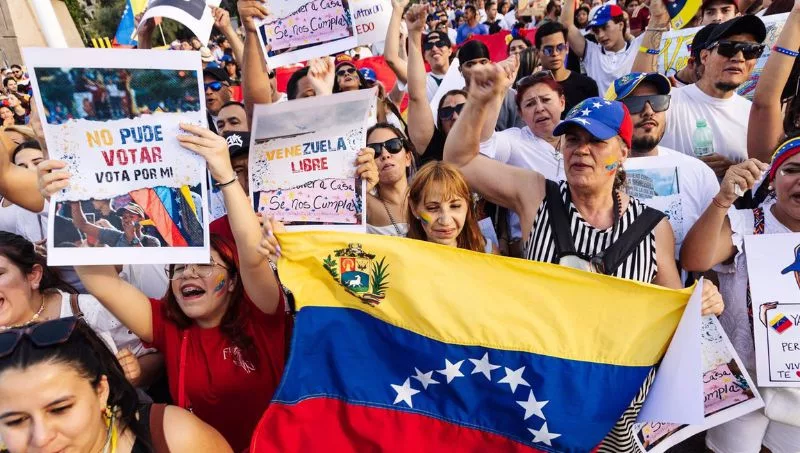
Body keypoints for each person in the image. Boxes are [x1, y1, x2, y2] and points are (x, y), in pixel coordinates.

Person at [444, 62, 724, 451]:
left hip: (617, 403)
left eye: (596, 141)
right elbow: (459, 162)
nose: (582, 150)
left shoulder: (653, 227)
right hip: (540, 395)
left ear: (623, 152)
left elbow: (671, 317)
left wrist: (701, 302)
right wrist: (478, 101)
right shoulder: (536, 195)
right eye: (573, 140)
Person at [39, 124, 290, 453]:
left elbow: (252, 254)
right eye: (179, 268)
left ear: (232, 281)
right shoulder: (168, 327)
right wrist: (64, 198)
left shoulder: (261, 317)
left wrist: (225, 175)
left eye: (204, 265)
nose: (188, 273)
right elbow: (101, 282)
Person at [680, 138, 800, 453]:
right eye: (791, 170)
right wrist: (723, 200)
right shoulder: (746, 224)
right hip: (742, 378)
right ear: (772, 180)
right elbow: (694, 260)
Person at [0, 317, 231, 452]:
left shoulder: (173, 437)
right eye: (16, 421)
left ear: (101, 391)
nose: (41, 438)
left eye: (60, 409)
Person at [606, 72, 720, 260]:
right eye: (634, 104)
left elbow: (714, 250)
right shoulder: (592, 172)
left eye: (657, 101)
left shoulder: (698, 172)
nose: (649, 111)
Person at [660, 16, 767, 177]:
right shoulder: (666, 102)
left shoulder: (754, 114)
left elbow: (768, 178)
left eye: (751, 50)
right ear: (704, 57)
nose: (739, 58)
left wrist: (734, 169)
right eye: (727, 48)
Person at [559, 2, 644, 94]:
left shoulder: (638, 47)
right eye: (596, 31)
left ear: (620, 25)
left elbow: (656, 22)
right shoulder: (591, 53)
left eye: (605, 27)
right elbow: (566, 25)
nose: (600, 35)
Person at [406, 161, 488, 252]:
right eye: (432, 208)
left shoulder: (488, 253)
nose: (445, 221)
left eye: (455, 206)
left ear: (468, 205)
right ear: (413, 208)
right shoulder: (398, 257)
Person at [458, 40, 525, 130]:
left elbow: (521, 133)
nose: (478, 68)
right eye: (470, 65)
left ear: (490, 64)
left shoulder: (511, 96)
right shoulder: (456, 101)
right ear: (460, 70)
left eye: (483, 62)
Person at [535, 21, 599, 116]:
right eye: (548, 50)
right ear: (537, 54)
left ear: (567, 48)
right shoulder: (530, 88)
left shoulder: (587, 85)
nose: (555, 53)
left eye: (560, 47)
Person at [366, 123, 416, 236]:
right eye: (375, 150)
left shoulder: (428, 197)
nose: (385, 154)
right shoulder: (362, 204)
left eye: (393, 145)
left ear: (408, 158)